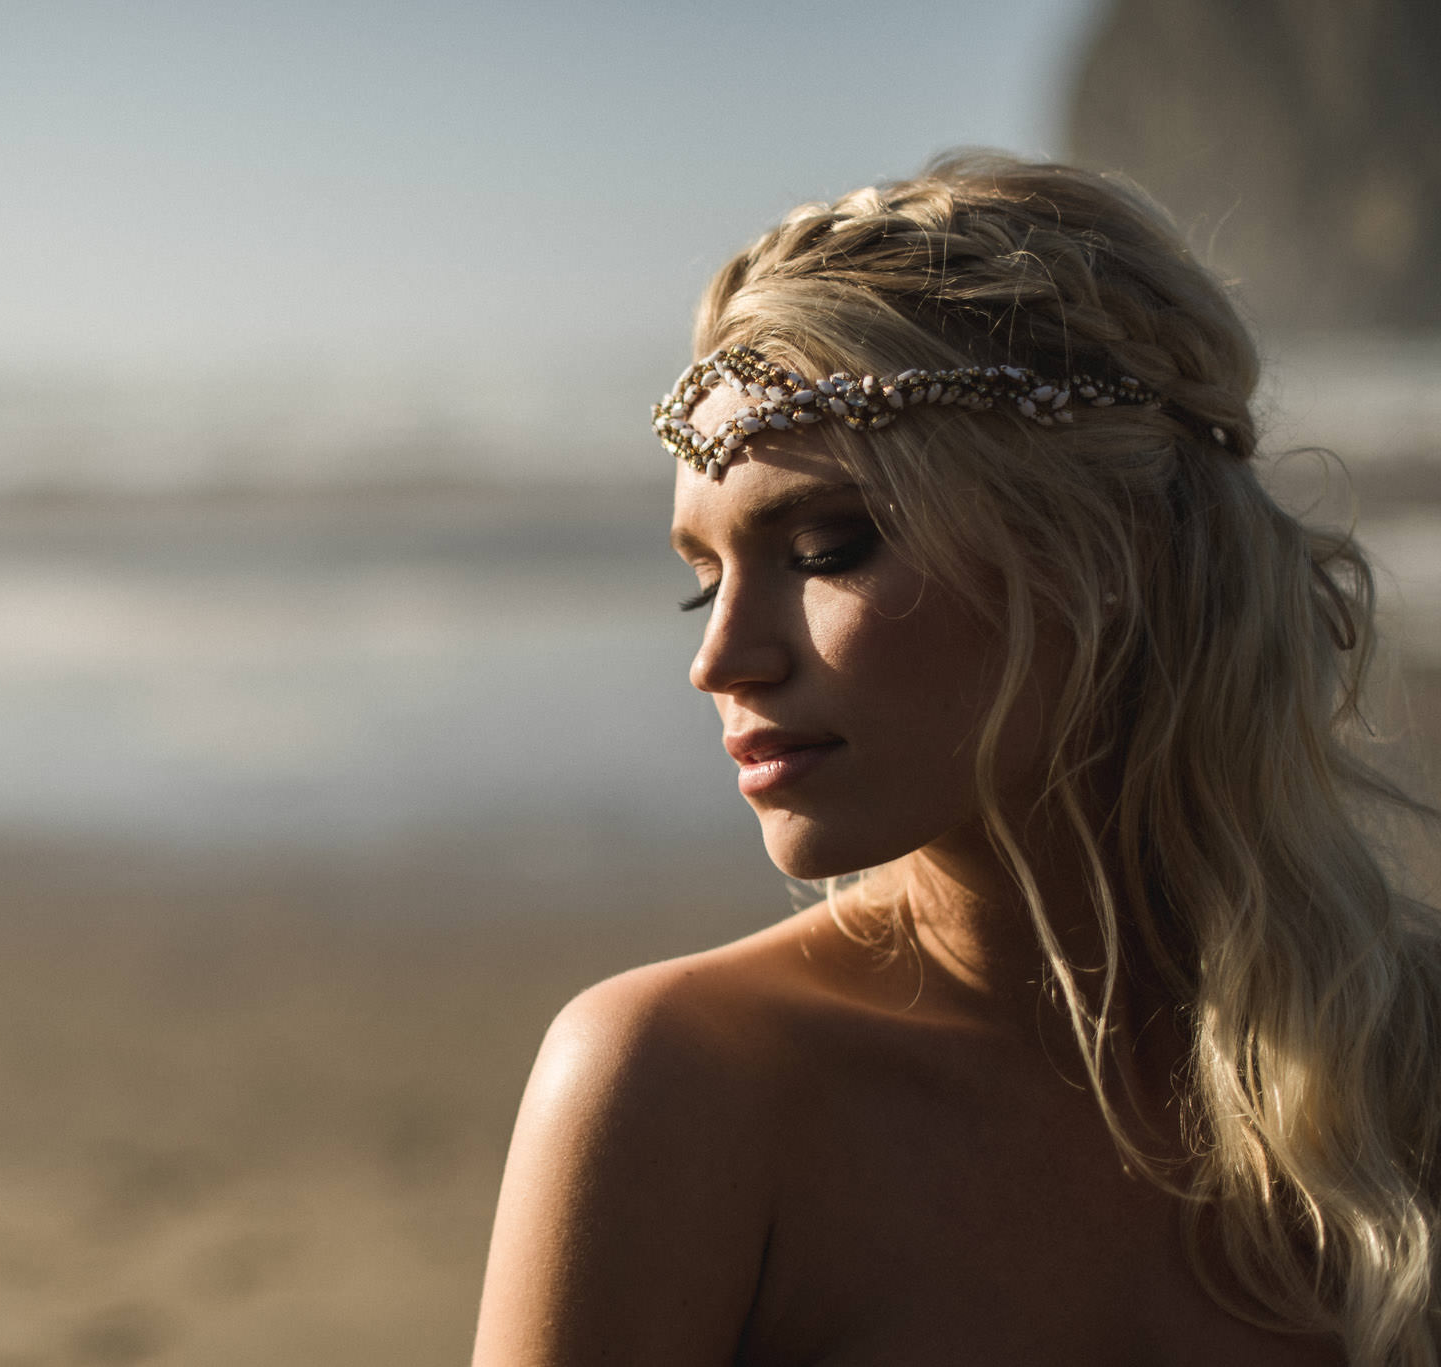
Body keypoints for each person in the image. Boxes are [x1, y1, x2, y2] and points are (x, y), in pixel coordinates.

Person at [470, 153, 1441, 1366]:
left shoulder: (1400, 1068)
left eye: (824, 547)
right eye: (700, 582)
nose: (719, 660)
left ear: (1102, 553)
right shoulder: (676, 1086)